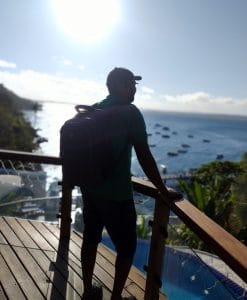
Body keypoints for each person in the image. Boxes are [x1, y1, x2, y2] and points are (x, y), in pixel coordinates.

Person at [80, 67, 182, 300]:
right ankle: (116, 297)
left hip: (90, 188)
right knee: (127, 248)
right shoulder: (130, 113)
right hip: (116, 194)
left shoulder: (95, 108)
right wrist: (162, 190)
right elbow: (144, 155)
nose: (134, 88)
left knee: (90, 238)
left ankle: (87, 291)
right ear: (120, 86)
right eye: (131, 84)